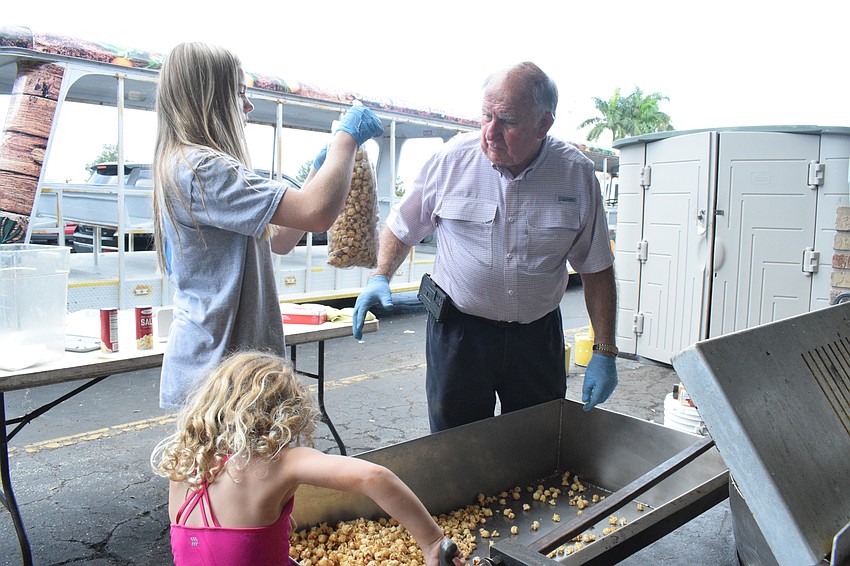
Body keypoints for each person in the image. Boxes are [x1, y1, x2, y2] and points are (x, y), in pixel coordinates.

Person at [352, 62, 618, 432]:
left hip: (536, 338)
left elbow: (596, 267)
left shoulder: (575, 173)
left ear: (544, 124)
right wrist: (380, 276)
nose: (490, 132)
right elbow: (403, 225)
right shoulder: (451, 161)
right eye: (485, 116)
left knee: (536, 441)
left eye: (507, 120)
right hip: (460, 335)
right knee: (454, 444)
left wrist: (605, 350)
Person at [152, 42, 383, 409]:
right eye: (239, 93)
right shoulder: (200, 169)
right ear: (209, 98)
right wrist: (347, 138)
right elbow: (317, 213)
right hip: (220, 376)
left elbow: (283, 240)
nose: (248, 105)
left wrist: (317, 171)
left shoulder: (194, 166)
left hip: (237, 371)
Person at [151, 350, 465, 566]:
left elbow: (217, 541)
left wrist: (274, 524)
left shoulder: (183, 466)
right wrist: (433, 541)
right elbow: (375, 478)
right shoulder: (281, 464)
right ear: (285, 414)